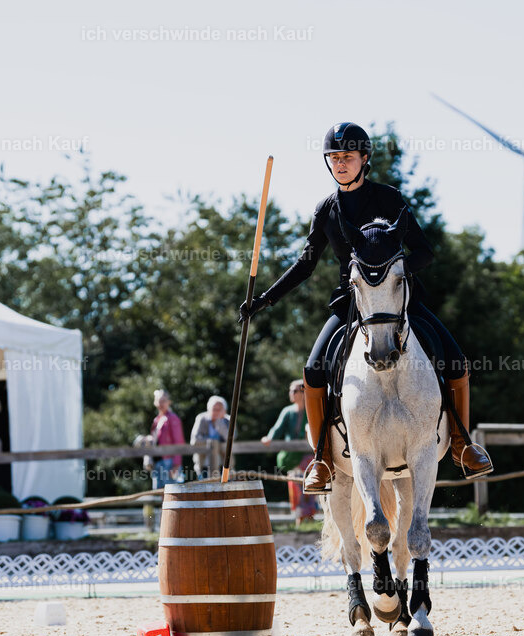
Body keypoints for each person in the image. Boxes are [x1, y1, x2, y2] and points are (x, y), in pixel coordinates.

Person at [239, 122, 494, 494]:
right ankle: (323, 458)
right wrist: (263, 300)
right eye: (334, 158)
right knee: (313, 370)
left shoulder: (389, 198)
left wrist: (393, 272)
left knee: (455, 360)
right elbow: (306, 264)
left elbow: (425, 251)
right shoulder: (327, 209)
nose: (340, 164)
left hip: (397, 301)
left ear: (364, 159)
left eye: (347, 157)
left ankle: (461, 442)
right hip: (352, 305)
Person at [261, 379, 316, 525]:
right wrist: (269, 438)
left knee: (309, 484)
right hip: (291, 456)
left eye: (295, 390)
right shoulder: (287, 411)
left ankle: (310, 516)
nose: (291, 393)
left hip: (308, 455)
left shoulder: (312, 409)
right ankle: (300, 517)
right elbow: (277, 428)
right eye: (291, 390)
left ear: (304, 392)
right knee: (295, 486)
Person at [149, 389, 185, 487]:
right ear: (155, 402)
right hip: (158, 462)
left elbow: (179, 442)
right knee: (159, 495)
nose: (161, 403)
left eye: (164, 401)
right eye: (159, 401)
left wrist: (176, 465)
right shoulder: (156, 420)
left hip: (169, 462)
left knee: (171, 496)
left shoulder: (172, 418)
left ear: (169, 402)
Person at [189, 396, 229, 480]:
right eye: (214, 409)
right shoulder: (201, 418)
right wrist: (212, 442)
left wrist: (219, 423)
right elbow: (195, 439)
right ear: (208, 409)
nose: (216, 412)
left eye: (219, 409)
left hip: (223, 465)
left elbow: (231, 438)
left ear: (224, 411)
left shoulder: (228, 420)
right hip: (204, 464)